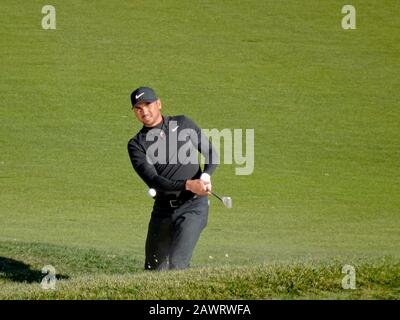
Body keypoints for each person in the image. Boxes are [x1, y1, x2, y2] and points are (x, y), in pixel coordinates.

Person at [127, 86, 218, 270]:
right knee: (154, 269)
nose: (144, 110)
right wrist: (189, 184)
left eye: (148, 104)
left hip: (193, 207)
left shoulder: (182, 123)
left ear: (159, 104)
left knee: (177, 264)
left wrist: (206, 176)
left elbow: (210, 152)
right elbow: (154, 180)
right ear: (134, 112)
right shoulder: (136, 144)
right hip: (162, 211)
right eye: (138, 107)